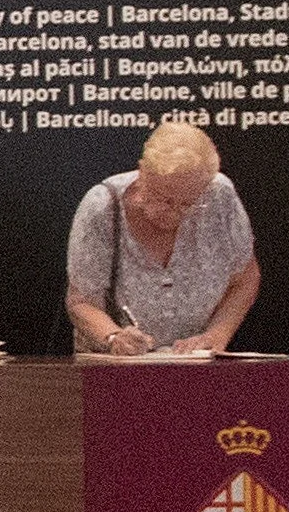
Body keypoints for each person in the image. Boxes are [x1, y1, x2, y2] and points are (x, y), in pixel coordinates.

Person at [64, 121, 261, 357]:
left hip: (193, 362)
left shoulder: (219, 195)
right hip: (115, 364)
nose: (174, 212)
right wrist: (114, 337)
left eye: (188, 203)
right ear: (142, 172)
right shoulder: (103, 206)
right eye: (163, 198)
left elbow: (246, 279)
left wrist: (216, 335)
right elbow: (81, 301)